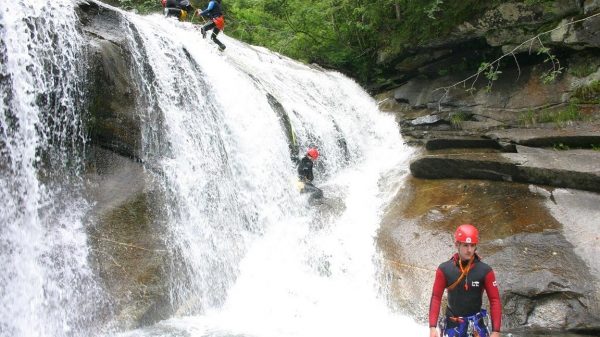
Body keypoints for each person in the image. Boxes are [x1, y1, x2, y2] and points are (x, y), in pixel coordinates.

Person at [428, 224, 502, 337]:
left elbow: (495, 300)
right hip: (452, 325)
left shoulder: (485, 271)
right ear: (457, 244)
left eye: (472, 246)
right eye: (465, 245)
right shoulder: (444, 269)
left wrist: (496, 331)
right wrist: (432, 327)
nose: (469, 250)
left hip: (476, 326)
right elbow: (436, 297)